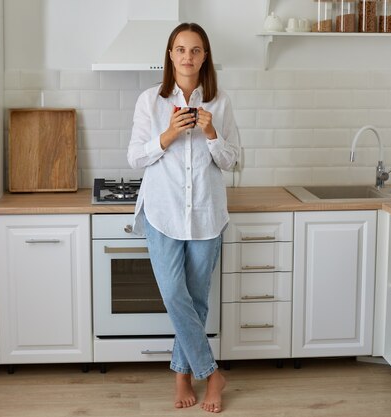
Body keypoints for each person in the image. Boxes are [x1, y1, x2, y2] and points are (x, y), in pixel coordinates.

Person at [127, 22, 240, 413]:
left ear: (204, 55)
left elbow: (232, 161)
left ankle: (182, 375)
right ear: (170, 55)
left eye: (195, 50)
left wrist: (212, 134)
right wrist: (167, 135)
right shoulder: (150, 101)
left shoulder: (220, 102)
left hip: (207, 214)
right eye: (180, 50)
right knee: (175, 295)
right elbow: (135, 158)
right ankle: (212, 375)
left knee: (196, 300)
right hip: (162, 212)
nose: (187, 57)